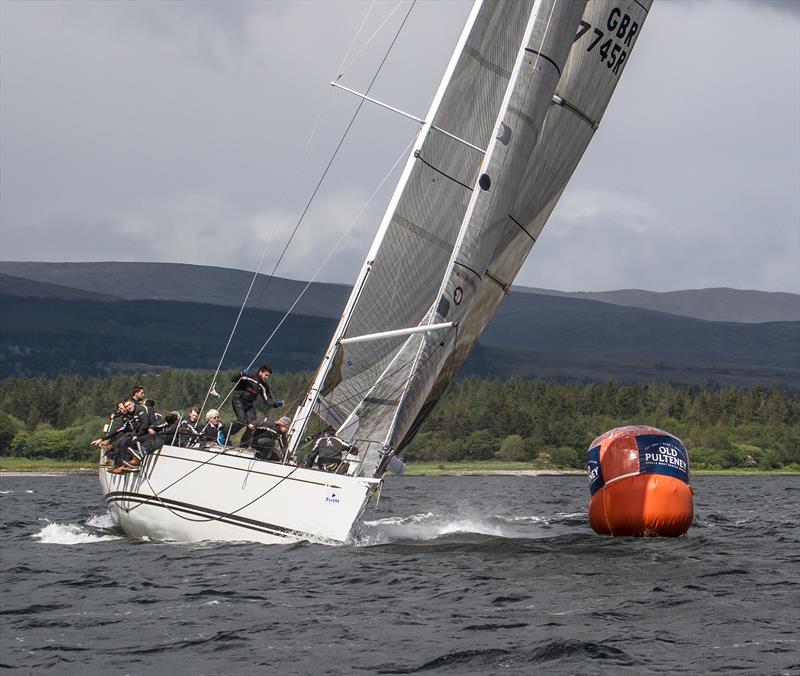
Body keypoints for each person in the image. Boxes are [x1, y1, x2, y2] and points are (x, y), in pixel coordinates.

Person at [229, 364, 284, 445]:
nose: (267, 377)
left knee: (253, 424)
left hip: (249, 404)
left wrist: (275, 404)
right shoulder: (249, 376)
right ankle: (224, 433)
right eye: (266, 375)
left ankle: (244, 446)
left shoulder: (264, 386)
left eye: (268, 376)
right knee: (242, 421)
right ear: (261, 372)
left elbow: (268, 400)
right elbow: (233, 379)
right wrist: (240, 374)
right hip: (239, 399)